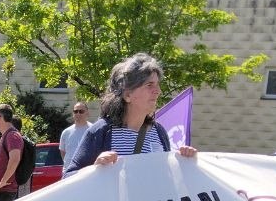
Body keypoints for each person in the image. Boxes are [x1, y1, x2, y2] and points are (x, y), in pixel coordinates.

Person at [63, 53, 197, 178]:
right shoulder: (101, 131)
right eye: (149, 85)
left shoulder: (159, 132)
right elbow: (68, 179)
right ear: (127, 95)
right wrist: (95, 169)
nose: (158, 91)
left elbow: (168, 178)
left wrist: (184, 162)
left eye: (157, 84)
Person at [0, 104, 23, 201]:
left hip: (5, 191)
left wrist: (3, 182)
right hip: (1, 190)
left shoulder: (12, 136)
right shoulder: (7, 135)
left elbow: (15, 159)